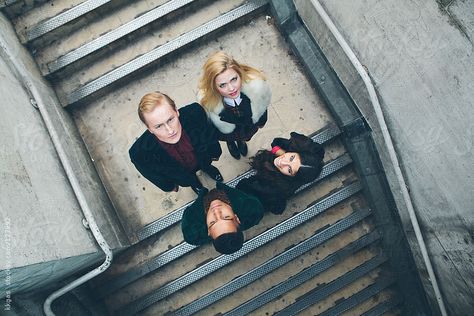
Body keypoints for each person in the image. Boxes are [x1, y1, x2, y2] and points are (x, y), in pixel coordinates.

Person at [129, 92, 223, 194]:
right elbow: (151, 174)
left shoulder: (195, 113)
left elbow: (209, 135)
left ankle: (208, 169)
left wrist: (215, 153)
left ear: (176, 111)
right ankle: (196, 185)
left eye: (170, 119)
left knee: (205, 164)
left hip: (201, 158)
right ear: (149, 129)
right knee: (190, 180)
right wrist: (169, 186)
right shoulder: (140, 153)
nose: (170, 131)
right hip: (182, 173)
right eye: (158, 126)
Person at [198, 51, 271, 160]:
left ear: (239, 74)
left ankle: (241, 142)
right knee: (230, 137)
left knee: (245, 136)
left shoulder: (257, 88)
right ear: (214, 86)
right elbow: (213, 124)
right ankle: (231, 143)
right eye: (222, 85)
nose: (231, 88)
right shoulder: (208, 102)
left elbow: (263, 105)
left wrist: (260, 121)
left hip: (248, 126)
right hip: (229, 133)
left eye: (234, 79)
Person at [236, 132, 325, 215]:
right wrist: (279, 151)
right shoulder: (313, 154)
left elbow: (244, 186)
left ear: (291, 177)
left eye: (289, 170)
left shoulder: (273, 187)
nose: (282, 162)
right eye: (292, 158)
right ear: (296, 151)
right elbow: (276, 143)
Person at [181, 182, 264, 254]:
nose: (216, 211)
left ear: (208, 231)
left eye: (212, 222)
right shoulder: (251, 209)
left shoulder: (192, 231)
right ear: (237, 218)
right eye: (226, 217)